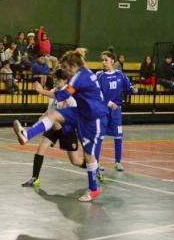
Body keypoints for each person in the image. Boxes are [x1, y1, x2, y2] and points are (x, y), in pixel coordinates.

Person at [13, 50, 108, 202]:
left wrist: (41, 91)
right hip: (81, 112)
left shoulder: (79, 77)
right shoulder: (82, 72)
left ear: (73, 66)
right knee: (55, 114)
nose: (63, 70)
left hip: (94, 118)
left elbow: (62, 95)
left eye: (65, 67)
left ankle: (94, 189)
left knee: (88, 156)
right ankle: (27, 135)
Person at [21, 68, 86, 189]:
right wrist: (44, 116)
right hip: (53, 127)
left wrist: (63, 124)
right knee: (41, 148)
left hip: (67, 129)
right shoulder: (52, 91)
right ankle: (35, 179)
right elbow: (50, 109)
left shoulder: (70, 96)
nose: (56, 81)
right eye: (55, 79)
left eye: (58, 80)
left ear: (65, 80)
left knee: (75, 161)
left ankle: (94, 169)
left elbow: (76, 116)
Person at [96, 51, 137, 172]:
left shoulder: (120, 75)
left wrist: (134, 90)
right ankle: (96, 163)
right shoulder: (99, 76)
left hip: (116, 111)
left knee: (118, 136)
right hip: (103, 110)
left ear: (112, 61)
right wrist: (109, 103)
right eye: (102, 60)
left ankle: (118, 162)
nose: (103, 62)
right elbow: (96, 94)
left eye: (106, 60)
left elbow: (128, 88)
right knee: (100, 136)